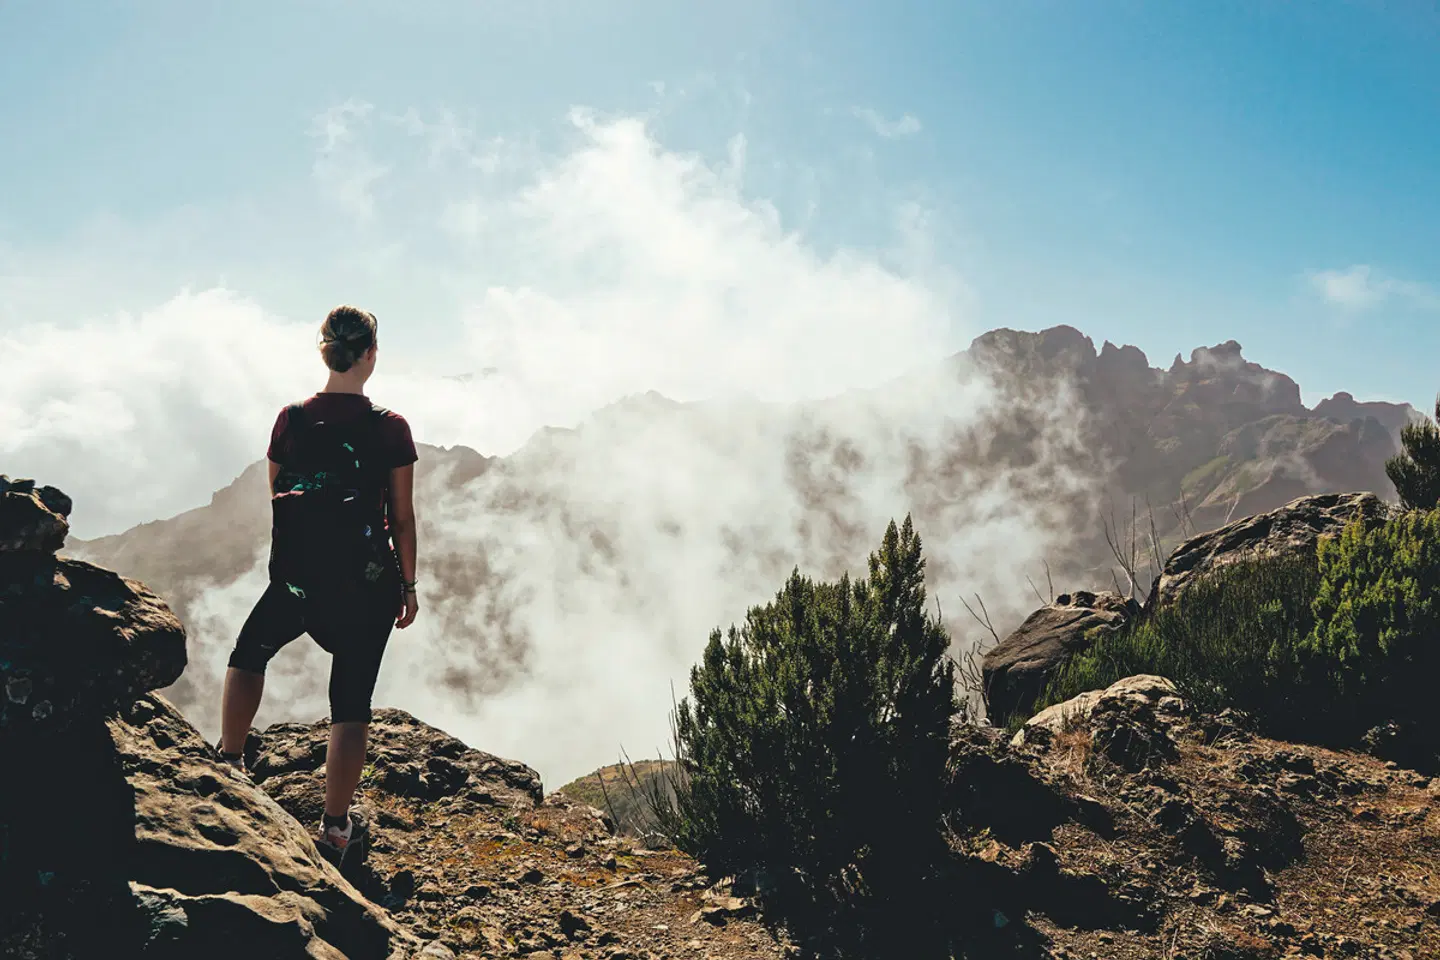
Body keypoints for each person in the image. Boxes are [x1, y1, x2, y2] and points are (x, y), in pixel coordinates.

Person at [217, 304, 420, 867]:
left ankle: (230, 763)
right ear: (370, 355)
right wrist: (407, 586)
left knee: (249, 651)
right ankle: (335, 828)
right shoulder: (389, 427)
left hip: (297, 578)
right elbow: (400, 518)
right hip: (366, 586)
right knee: (350, 705)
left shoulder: (291, 420)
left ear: (325, 351)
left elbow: (277, 491)